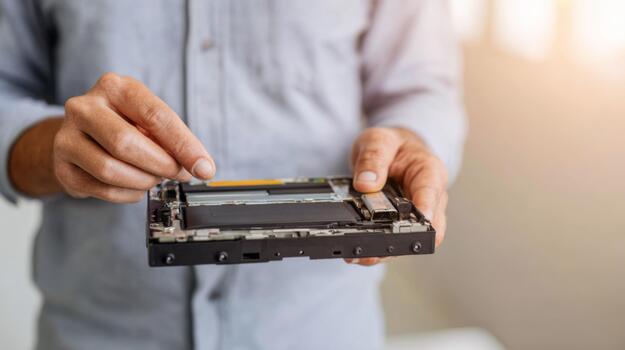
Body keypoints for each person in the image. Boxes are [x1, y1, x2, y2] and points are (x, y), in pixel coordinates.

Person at [0, 1, 466, 349]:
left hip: (319, 328)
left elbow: (423, 86)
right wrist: (53, 148)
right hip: (99, 331)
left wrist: (413, 139)